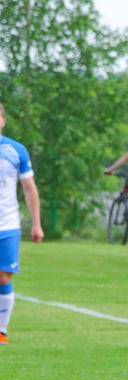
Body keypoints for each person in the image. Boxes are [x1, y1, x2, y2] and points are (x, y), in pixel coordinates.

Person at [0, 101, 44, 346]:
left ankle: (1, 331)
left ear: (3, 120)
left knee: (4, 277)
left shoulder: (16, 151)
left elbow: (29, 188)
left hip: (7, 224)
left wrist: (36, 223)